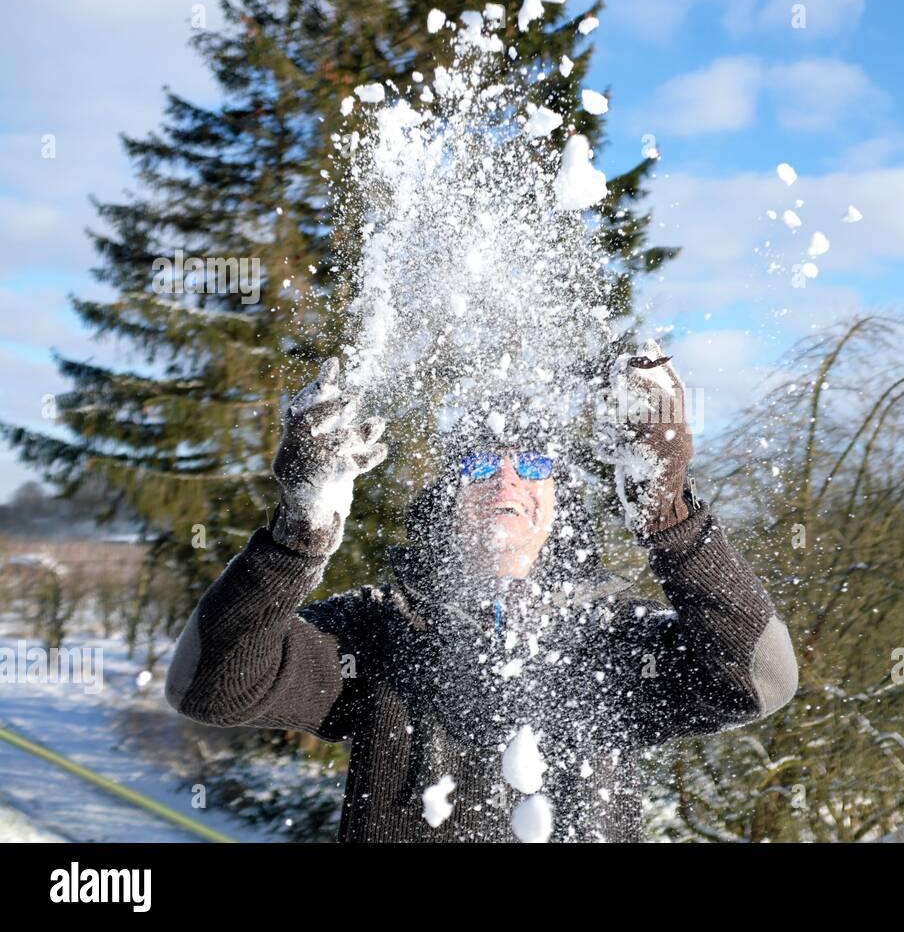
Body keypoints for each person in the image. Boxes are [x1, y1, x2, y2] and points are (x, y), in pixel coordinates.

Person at [165, 351, 798, 842]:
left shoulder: (617, 637)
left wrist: (669, 517)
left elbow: (760, 677)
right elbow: (209, 682)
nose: (505, 478)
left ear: (559, 503)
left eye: (534, 465)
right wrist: (300, 534)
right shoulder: (376, 628)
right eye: (477, 465)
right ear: (446, 499)